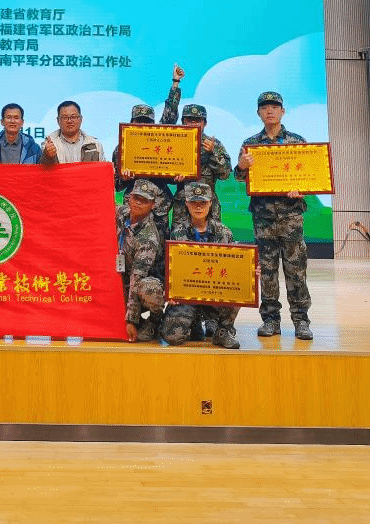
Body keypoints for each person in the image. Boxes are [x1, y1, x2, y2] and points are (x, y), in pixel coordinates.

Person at [234, 90, 313, 341]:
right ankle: (270, 320)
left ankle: (301, 320)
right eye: (264, 107)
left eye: (274, 107)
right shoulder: (250, 144)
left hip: (291, 218)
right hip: (263, 218)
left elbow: (309, 176)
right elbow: (239, 177)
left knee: (296, 270)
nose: (270, 111)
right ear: (258, 113)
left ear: (283, 111)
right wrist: (242, 166)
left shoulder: (297, 142)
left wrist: (301, 189)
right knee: (267, 271)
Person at [160, 182, 241, 349]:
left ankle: (223, 330)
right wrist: (171, 290)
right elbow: (172, 268)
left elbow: (234, 267)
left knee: (242, 289)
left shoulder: (224, 233)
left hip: (216, 295)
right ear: (186, 203)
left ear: (210, 203)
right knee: (172, 337)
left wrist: (248, 270)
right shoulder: (177, 233)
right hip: (188, 296)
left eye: (203, 202)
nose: (198, 207)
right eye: (194, 202)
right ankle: (194, 322)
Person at [162, 64, 233, 231]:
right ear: (182, 122)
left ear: (205, 123)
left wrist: (212, 153)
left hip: (208, 205)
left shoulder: (214, 144)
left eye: (197, 120)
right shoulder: (175, 143)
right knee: (180, 242)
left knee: (209, 243)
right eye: (189, 120)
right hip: (183, 204)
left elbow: (224, 174)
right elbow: (164, 172)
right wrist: (174, 177)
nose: (193, 123)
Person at [111, 102, 174, 234]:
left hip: (159, 206)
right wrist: (124, 178)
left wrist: (179, 176)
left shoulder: (163, 145)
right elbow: (116, 185)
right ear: (131, 122)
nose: (142, 124)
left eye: (147, 121)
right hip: (133, 207)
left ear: (153, 124)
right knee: (131, 241)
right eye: (138, 121)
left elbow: (172, 177)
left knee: (160, 242)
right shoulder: (121, 149)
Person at [116, 179, 166, 342]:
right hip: (122, 278)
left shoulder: (148, 238)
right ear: (129, 197)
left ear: (153, 205)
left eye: (144, 200)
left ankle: (155, 320)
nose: (138, 203)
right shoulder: (122, 213)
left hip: (142, 283)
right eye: (136, 197)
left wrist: (130, 320)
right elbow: (100, 204)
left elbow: (136, 278)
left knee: (148, 289)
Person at [39, 99, 105, 164]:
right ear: (58, 120)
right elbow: (43, 168)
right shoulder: (49, 144)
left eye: (73, 117)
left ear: (81, 119)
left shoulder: (95, 145)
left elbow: (103, 169)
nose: (69, 121)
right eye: (65, 117)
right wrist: (47, 156)